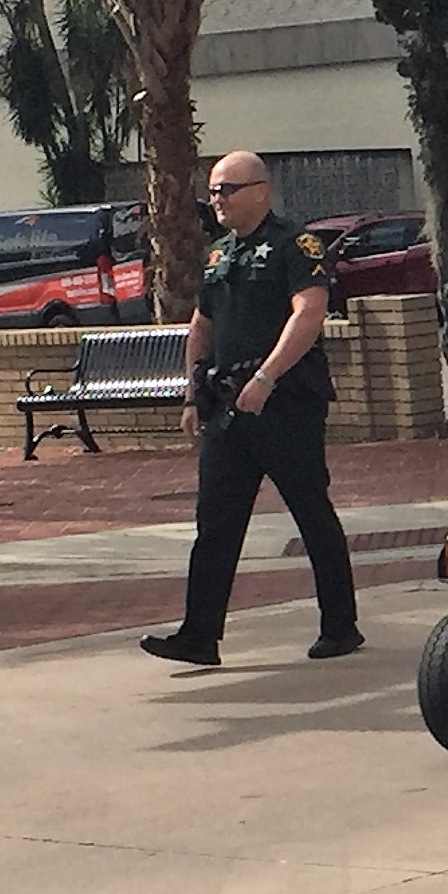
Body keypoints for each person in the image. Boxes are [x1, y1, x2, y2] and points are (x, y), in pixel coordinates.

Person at [141, 151, 359, 666]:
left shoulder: (296, 245)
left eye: (227, 190)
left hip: (284, 403)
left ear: (260, 190)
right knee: (214, 523)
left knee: (311, 512)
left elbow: (309, 313)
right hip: (227, 407)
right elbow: (202, 326)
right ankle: (199, 636)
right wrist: (193, 394)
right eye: (213, 191)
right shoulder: (219, 255)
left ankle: (340, 626)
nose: (217, 200)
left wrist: (267, 376)